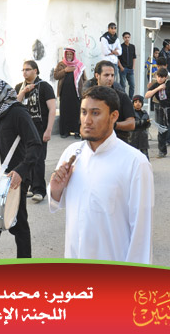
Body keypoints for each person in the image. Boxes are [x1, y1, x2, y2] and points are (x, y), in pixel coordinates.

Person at [49, 85, 153, 264]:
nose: (87, 120)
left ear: (114, 116)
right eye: (84, 112)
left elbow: (141, 234)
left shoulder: (135, 163)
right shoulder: (72, 153)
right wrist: (56, 190)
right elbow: (58, 202)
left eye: (95, 113)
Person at [0, 77, 42, 260]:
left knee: (18, 226)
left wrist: (21, 171)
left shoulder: (18, 113)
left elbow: (35, 144)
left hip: (15, 180)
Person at [15, 60, 56, 203]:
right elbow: (15, 105)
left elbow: (52, 109)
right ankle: (30, 187)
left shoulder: (44, 86)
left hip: (40, 127)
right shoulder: (19, 87)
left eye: (28, 69)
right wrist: (23, 92)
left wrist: (49, 130)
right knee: (26, 158)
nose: (25, 72)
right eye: (23, 70)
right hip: (24, 129)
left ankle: (39, 190)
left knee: (38, 159)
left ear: (35, 71)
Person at [88, 61, 134, 144]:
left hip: (118, 143)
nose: (110, 78)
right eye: (106, 75)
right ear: (97, 75)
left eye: (112, 75)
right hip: (94, 143)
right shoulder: (89, 97)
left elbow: (131, 123)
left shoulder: (122, 97)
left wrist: (113, 125)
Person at [53, 48, 86, 139]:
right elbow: (56, 76)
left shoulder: (79, 65)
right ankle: (65, 132)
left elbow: (84, 79)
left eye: (70, 54)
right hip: (64, 93)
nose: (69, 56)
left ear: (73, 55)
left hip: (76, 93)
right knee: (65, 112)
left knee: (76, 112)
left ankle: (77, 132)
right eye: (67, 54)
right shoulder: (61, 64)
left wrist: (84, 91)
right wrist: (65, 70)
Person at [129, 95, 151, 159]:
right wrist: (141, 122)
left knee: (145, 155)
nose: (138, 103)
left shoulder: (145, 113)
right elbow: (131, 124)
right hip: (133, 137)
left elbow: (148, 125)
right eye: (135, 102)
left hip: (143, 137)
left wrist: (147, 123)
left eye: (139, 102)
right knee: (132, 156)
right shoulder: (130, 113)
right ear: (133, 104)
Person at [118, 31, 136, 98]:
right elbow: (117, 58)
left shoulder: (132, 46)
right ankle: (123, 98)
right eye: (125, 37)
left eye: (128, 37)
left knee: (132, 85)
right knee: (123, 85)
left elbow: (134, 57)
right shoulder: (120, 46)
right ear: (123, 38)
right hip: (123, 68)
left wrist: (133, 67)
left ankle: (130, 99)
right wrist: (121, 67)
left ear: (130, 37)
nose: (127, 39)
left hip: (130, 68)